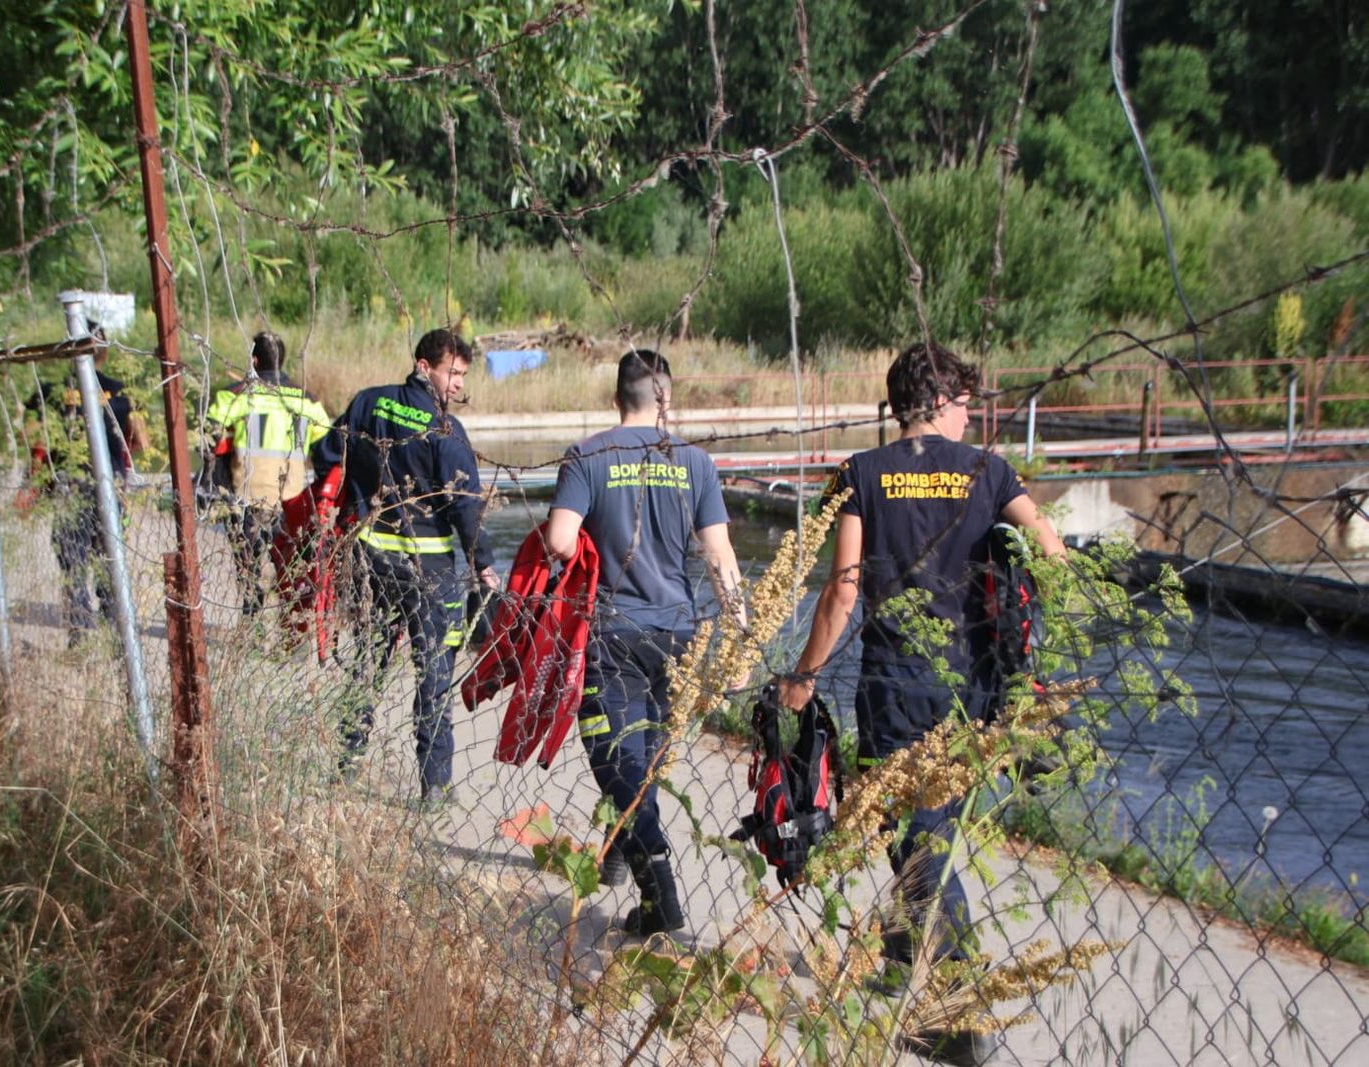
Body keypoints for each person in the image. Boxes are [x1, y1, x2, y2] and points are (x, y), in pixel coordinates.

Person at [778, 341, 1064, 1064]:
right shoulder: (989, 471)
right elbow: (1052, 552)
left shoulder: (863, 472)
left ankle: (958, 1016)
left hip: (893, 683)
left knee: (914, 834)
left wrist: (805, 674)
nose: (971, 416)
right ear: (937, 400)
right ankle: (906, 960)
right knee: (922, 828)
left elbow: (844, 588)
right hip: (972, 687)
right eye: (965, 403)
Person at [544, 349, 745, 937]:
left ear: (617, 399)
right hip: (676, 634)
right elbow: (720, 556)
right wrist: (741, 640)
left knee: (618, 759)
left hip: (611, 634)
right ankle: (619, 850)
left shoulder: (589, 454)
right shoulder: (694, 461)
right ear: (667, 400)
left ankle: (661, 899)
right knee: (645, 759)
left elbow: (560, 540)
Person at [311, 328, 499, 802]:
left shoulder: (368, 403)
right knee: (434, 675)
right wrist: (484, 563)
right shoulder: (446, 431)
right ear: (423, 366)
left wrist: (353, 495)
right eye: (451, 373)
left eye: (462, 375)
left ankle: (345, 768)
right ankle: (434, 786)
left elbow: (325, 452)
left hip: (371, 558)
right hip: (429, 568)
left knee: (367, 667)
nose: (458, 384)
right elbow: (465, 508)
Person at [22, 321, 145, 646]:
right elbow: (141, 441)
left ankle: (79, 630)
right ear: (105, 354)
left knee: (72, 558)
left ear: (68, 353)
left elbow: (34, 439)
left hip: (70, 486)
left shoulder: (50, 394)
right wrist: (117, 452)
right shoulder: (122, 392)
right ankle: (113, 628)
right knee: (108, 555)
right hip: (111, 486)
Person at [204, 331, 331, 616]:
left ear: (254, 360)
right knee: (291, 567)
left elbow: (209, 435)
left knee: (249, 567)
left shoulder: (237, 395)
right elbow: (327, 445)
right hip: (293, 499)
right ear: (281, 360)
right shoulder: (306, 400)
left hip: (250, 497)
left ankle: (254, 623)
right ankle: (293, 624)